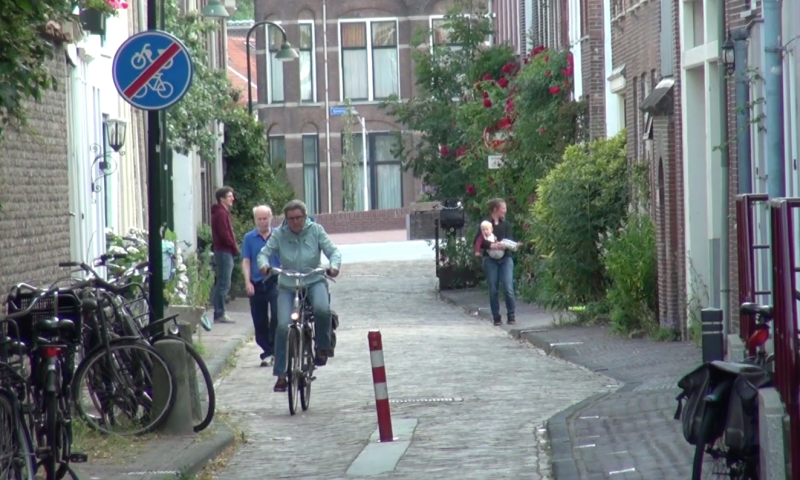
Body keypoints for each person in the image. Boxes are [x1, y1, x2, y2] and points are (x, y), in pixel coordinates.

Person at [257, 199, 342, 393]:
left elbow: (333, 251)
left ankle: (322, 346)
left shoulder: (316, 231)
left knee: (322, 309)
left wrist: (334, 267)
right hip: (288, 283)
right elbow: (264, 253)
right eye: (291, 218)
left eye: (299, 218)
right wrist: (264, 265)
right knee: (282, 326)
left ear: (305, 217)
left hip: (313, 279)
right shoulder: (280, 234)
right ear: (286, 219)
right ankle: (280, 375)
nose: (295, 222)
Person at [241, 205, 281, 367]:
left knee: (278, 314)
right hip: (257, 282)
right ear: (255, 220)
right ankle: (267, 350)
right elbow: (246, 260)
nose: (263, 222)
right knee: (259, 319)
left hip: (276, 280)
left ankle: (276, 348)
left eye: (265, 218)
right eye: (260, 219)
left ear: (271, 218)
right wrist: (247, 281)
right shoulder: (249, 238)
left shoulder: (279, 235)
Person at [473, 198, 516, 326]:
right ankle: (496, 317)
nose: (505, 211)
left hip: (505, 258)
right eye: (503, 208)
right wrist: (491, 245)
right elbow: (478, 241)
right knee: (493, 289)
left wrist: (504, 245)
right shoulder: (485, 226)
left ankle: (511, 315)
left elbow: (510, 239)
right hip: (490, 260)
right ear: (495, 210)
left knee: (508, 287)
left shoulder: (506, 225)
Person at [210, 186, 239, 324]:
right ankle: (220, 313)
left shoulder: (221, 212)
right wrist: (234, 247)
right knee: (224, 283)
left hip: (222, 251)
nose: (232, 198)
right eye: (229, 196)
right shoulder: (221, 213)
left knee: (221, 282)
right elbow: (225, 234)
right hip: (224, 252)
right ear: (222, 199)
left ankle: (218, 312)